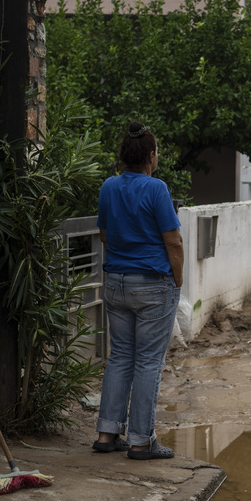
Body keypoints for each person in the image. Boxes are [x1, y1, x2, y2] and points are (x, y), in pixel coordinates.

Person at [93, 122, 184, 460]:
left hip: (116, 283)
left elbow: (103, 234)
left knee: (119, 358)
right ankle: (141, 441)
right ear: (150, 156)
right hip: (152, 285)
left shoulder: (109, 187)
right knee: (147, 363)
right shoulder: (156, 189)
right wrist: (178, 279)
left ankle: (106, 434)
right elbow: (173, 240)